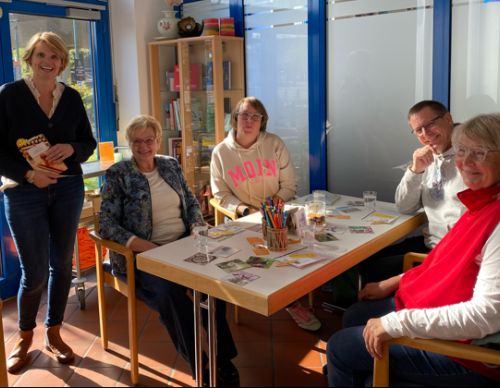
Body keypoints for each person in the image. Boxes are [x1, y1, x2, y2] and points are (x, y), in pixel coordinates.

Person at [326, 113, 500, 387]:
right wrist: (393, 282)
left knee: (339, 347)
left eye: (479, 153)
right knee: (355, 314)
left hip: (472, 354)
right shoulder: (482, 200)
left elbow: (485, 315)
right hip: (442, 299)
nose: (466, 162)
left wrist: (395, 324)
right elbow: (408, 212)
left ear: (447, 119)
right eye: (462, 151)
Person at [98, 115, 239, 385]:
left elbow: (192, 203)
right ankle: (200, 364)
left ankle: (223, 357)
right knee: (170, 295)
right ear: (129, 143)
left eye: (149, 140)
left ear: (158, 140)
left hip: (183, 246)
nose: (143, 146)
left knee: (213, 287)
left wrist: (197, 228)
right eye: (137, 141)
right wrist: (146, 247)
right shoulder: (119, 174)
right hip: (143, 255)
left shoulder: (170, 164)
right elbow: (106, 223)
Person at [0, 32, 96, 373]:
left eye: (55, 56)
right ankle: (25, 336)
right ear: (29, 58)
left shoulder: (71, 97)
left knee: (62, 265)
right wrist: (29, 175)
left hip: (68, 189)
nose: (48, 61)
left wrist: (72, 148)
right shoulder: (9, 95)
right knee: (35, 271)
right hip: (24, 193)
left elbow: (88, 143)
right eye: (41, 54)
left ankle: (54, 333)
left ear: (62, 62)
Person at [210, 96, 321, 332]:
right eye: (244, 115)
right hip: (243, 219)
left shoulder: (274, 144)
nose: (249, 121)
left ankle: (291, 297)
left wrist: (272, 209)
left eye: (255, 116)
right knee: (254, 253)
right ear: (235, 118)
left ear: (263, 121)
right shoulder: (220, 152)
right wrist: (245, 210)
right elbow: (220, 194)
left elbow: (289, 185)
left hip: (278, 214)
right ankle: (285, 301)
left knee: (308, 243)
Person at [360, 100, 466, 284]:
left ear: (448, 119)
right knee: (365, 258)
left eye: (430, 124)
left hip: (451, 255)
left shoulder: (470, 158)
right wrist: (415, 170)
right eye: (418, 130)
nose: (425, 134)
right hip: (431, 242)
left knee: (371, 269)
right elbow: (404, 206)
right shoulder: (427, 157)